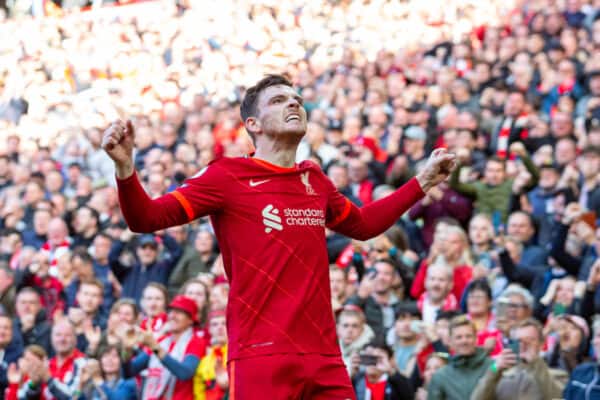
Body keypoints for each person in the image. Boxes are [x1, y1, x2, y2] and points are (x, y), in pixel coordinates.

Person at [102, 74, 456, 397]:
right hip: (260, 353)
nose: (293, 103)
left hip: (324, 355)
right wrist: (125, 168)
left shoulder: (313, 179)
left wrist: (422, 182)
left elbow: (363, 224)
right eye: (279, 100)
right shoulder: (226, 175)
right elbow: (145, 218)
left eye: (297, 99)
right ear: (252, 124)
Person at [470, 318, 566, 399]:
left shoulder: (557, 375)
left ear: (541, 344)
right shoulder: (500, 374)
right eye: (519, 341)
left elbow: (557, 396)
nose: (523, 345)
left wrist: (536, 363)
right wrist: (495, 368)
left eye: (529, 340)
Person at [427, 315, 492, 400]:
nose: (464, 341)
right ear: (450, 341)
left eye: (468, 336)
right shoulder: (441, 376)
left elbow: (495, 369)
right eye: (459, 337)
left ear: (476, 339)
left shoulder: (492, 366)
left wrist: (496, 368)